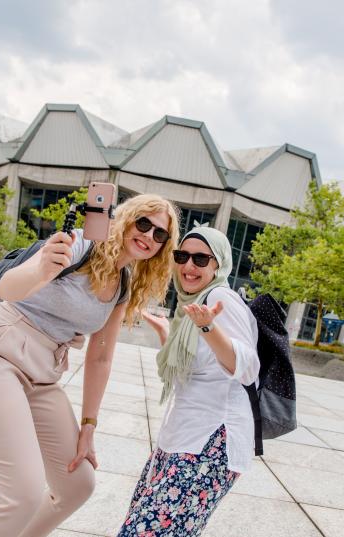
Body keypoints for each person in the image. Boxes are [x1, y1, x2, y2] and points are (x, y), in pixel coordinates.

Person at [0, 194, 180, 537]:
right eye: (144, 223)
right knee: (22, 494)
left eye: (160, 234)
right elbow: (7, 288)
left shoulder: (123, 285)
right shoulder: (80, 244)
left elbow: (101, 356)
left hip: (43, 376)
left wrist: (88, 425)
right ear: (125, 220)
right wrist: (44, 266)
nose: (149, 236)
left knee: (78, 485)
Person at [118, 225, 259, 537]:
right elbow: (195, 366)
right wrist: (165, 332)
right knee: (151, 524)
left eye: (200, 259)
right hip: (182, 436)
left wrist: (209, 327)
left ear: (218, 265)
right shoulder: (190, 306)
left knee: (146, 531)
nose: (188, 266)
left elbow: (248, 368)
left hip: (210, 440)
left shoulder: (221, 297)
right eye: (181, 256)